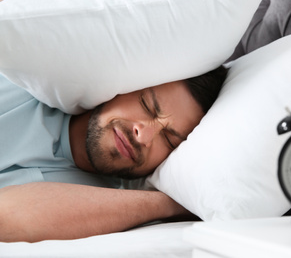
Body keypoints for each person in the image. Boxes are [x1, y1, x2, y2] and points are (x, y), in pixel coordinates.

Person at [0, 66, 227, 242]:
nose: (143, 136)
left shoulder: (111, 211)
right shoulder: (19, 82)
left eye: (168, 140)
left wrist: (173, 203)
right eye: (148, 106)